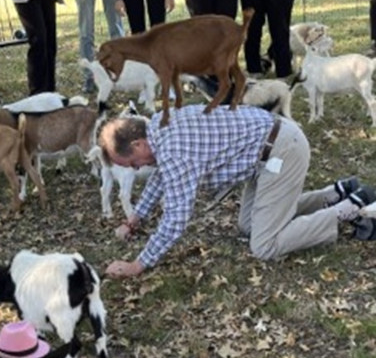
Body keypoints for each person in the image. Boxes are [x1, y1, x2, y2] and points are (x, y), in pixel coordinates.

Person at [99, 104, 376, 279]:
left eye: (132, 163)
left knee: (264, 245)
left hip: (283, 150)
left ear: (138, 144)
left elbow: (176, 219)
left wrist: (138, 264)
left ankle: (347, 209)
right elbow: (161, 176)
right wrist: (136, 217)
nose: (135, 169)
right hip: (266, 153)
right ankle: (334, 194)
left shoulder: (173, 150)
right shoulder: (159, 124)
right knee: (248, 226)